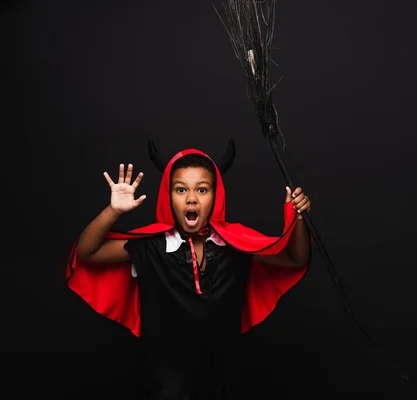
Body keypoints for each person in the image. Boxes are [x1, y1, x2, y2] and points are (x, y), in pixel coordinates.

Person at [65, 140, 312, 399]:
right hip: (164, 388)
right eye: (180, 190)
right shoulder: (151, 248)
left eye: (202, 190)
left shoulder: (236, 245)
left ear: (216, 196)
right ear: (168, 196)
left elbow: (296, 259)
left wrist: (297, 217)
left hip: (225, 384)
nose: (192, 198)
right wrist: (113, 211)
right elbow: (87, 252)